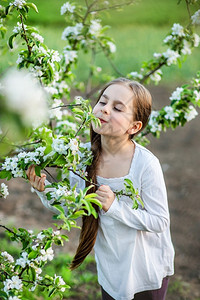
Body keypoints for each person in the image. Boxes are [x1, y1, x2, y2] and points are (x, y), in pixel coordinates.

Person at [26, 78, 175, 300]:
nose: (104, 109)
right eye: (102, 102)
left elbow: (160, 221)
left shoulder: (145, 164)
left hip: (145, 267)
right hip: (111, 267)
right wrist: (44, 190)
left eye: (117, 108)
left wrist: (114, 206)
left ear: (134, 126)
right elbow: (73, 208)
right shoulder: (82, 157)